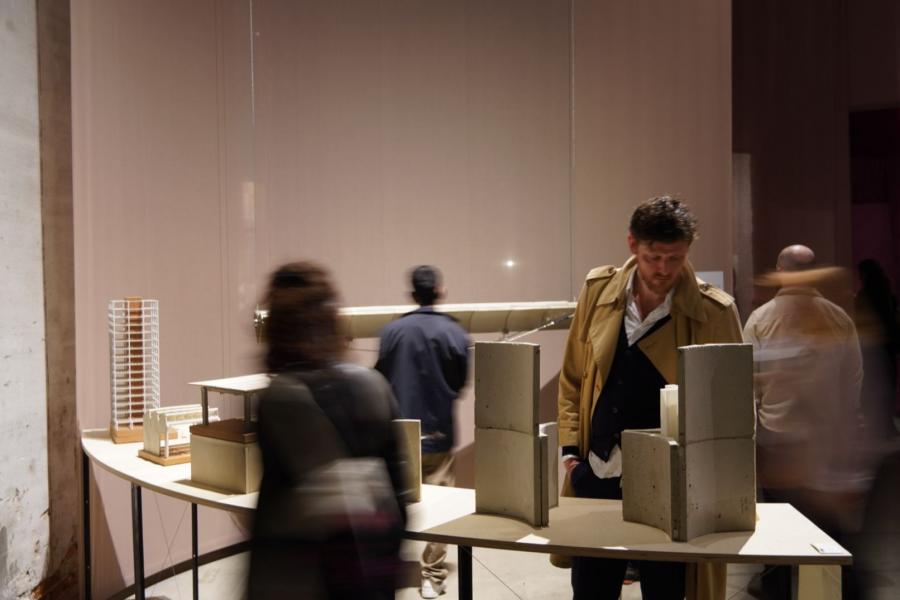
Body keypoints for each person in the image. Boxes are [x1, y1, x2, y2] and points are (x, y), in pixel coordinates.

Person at [557, 196, 742, 600]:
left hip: (671, 486)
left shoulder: (715, 311)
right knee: (590, 591)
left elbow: (734, 410)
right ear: (632, 245)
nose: (664, 270)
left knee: (667, 591)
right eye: (654, 256)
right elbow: (572, 375)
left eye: (675, 258)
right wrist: (571, 454)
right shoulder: (598, 290)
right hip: (597, 472)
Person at [248, 261, 408, 600]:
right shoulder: (374, 387)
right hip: (367, 578)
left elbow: (272, 512)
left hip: (299, 582)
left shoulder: (278, 399)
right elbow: (400, 499)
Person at [743, 246, 865, 599]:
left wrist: (752, 437)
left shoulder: (761, 318)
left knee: (776, 535)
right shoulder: (838, 317)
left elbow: (746, 385)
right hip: (825, 444)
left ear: (780, 269)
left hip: (775, 442)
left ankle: (776, 589)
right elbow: (853, 378)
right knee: (826, 535)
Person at [375, 265, 471, 599]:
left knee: (391, 505)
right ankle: (432, 576)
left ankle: (388, 570)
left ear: (413, 294)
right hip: (440, 434)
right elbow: (460, 383)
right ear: (440, 291)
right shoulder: (455, 333)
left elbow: (380, 380)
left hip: (399, 435)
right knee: (441, 509)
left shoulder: (392, 332)